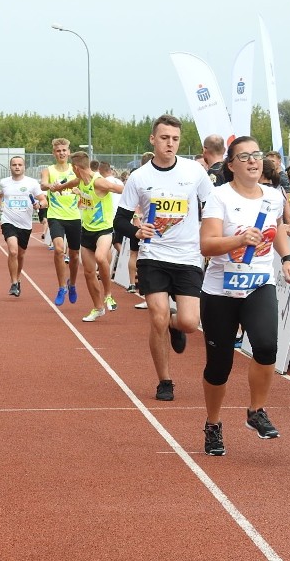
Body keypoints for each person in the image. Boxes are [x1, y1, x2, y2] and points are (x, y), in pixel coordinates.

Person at [199, 136, 290, 455]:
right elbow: (208, 245)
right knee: (219, 365)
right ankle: (213, 424)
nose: (254, 161)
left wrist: (286, 258)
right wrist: (238, 240)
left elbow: (277, 229)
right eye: (245, 157)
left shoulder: (272, 195)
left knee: (267, 345)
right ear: (231, 165)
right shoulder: (219, 197)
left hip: (259, 285)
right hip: (220, 292)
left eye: (257, 155)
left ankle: (256, 411)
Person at [113, 114, 212, 401]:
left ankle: (174, 323)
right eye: (165, 138)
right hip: (153, 256)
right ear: (153, 139)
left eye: (175, 139)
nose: (170, 144)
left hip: (188, 256)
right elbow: (119, 221)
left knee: (191, 323)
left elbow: (213, 207)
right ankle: (165, 381)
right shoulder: (140, 177)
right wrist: (137, 229)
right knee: (156, 317)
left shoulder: (195, 172)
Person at [70, 152, 124, 321]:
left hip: (104, 229)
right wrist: (77, 194)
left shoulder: (99, 181)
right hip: (87, 230)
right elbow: (85, 204)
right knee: (88, 272)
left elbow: (122, 189)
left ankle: (108, 294)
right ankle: (98, 307)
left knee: (101, 257)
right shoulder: (81, 182)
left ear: (76, 168)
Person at [0, 156, 47, 297]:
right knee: (13, 251)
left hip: (25, 224)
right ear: (10, 167)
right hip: (8, 221)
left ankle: (18, 278)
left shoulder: (32, 183)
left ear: (24, 167)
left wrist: (39, 205)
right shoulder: (4, 182)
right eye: (14, 164)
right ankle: (14, 283)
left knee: (21, 255)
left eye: (20, 165)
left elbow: (43, 200)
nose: (17, 167)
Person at [40, 138, 81, 306]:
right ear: (54, 153)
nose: (62, 153)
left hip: (74, 216)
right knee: (58, 249)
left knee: (74, 255)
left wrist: (79, 191)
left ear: (69, 152)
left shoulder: (75, 170)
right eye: (58, 151)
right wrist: (51, 186)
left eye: (64, 150)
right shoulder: (48, 170)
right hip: (56, 214)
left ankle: (72, 284)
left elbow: (85, 183)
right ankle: (61, 286)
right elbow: (42, 185)